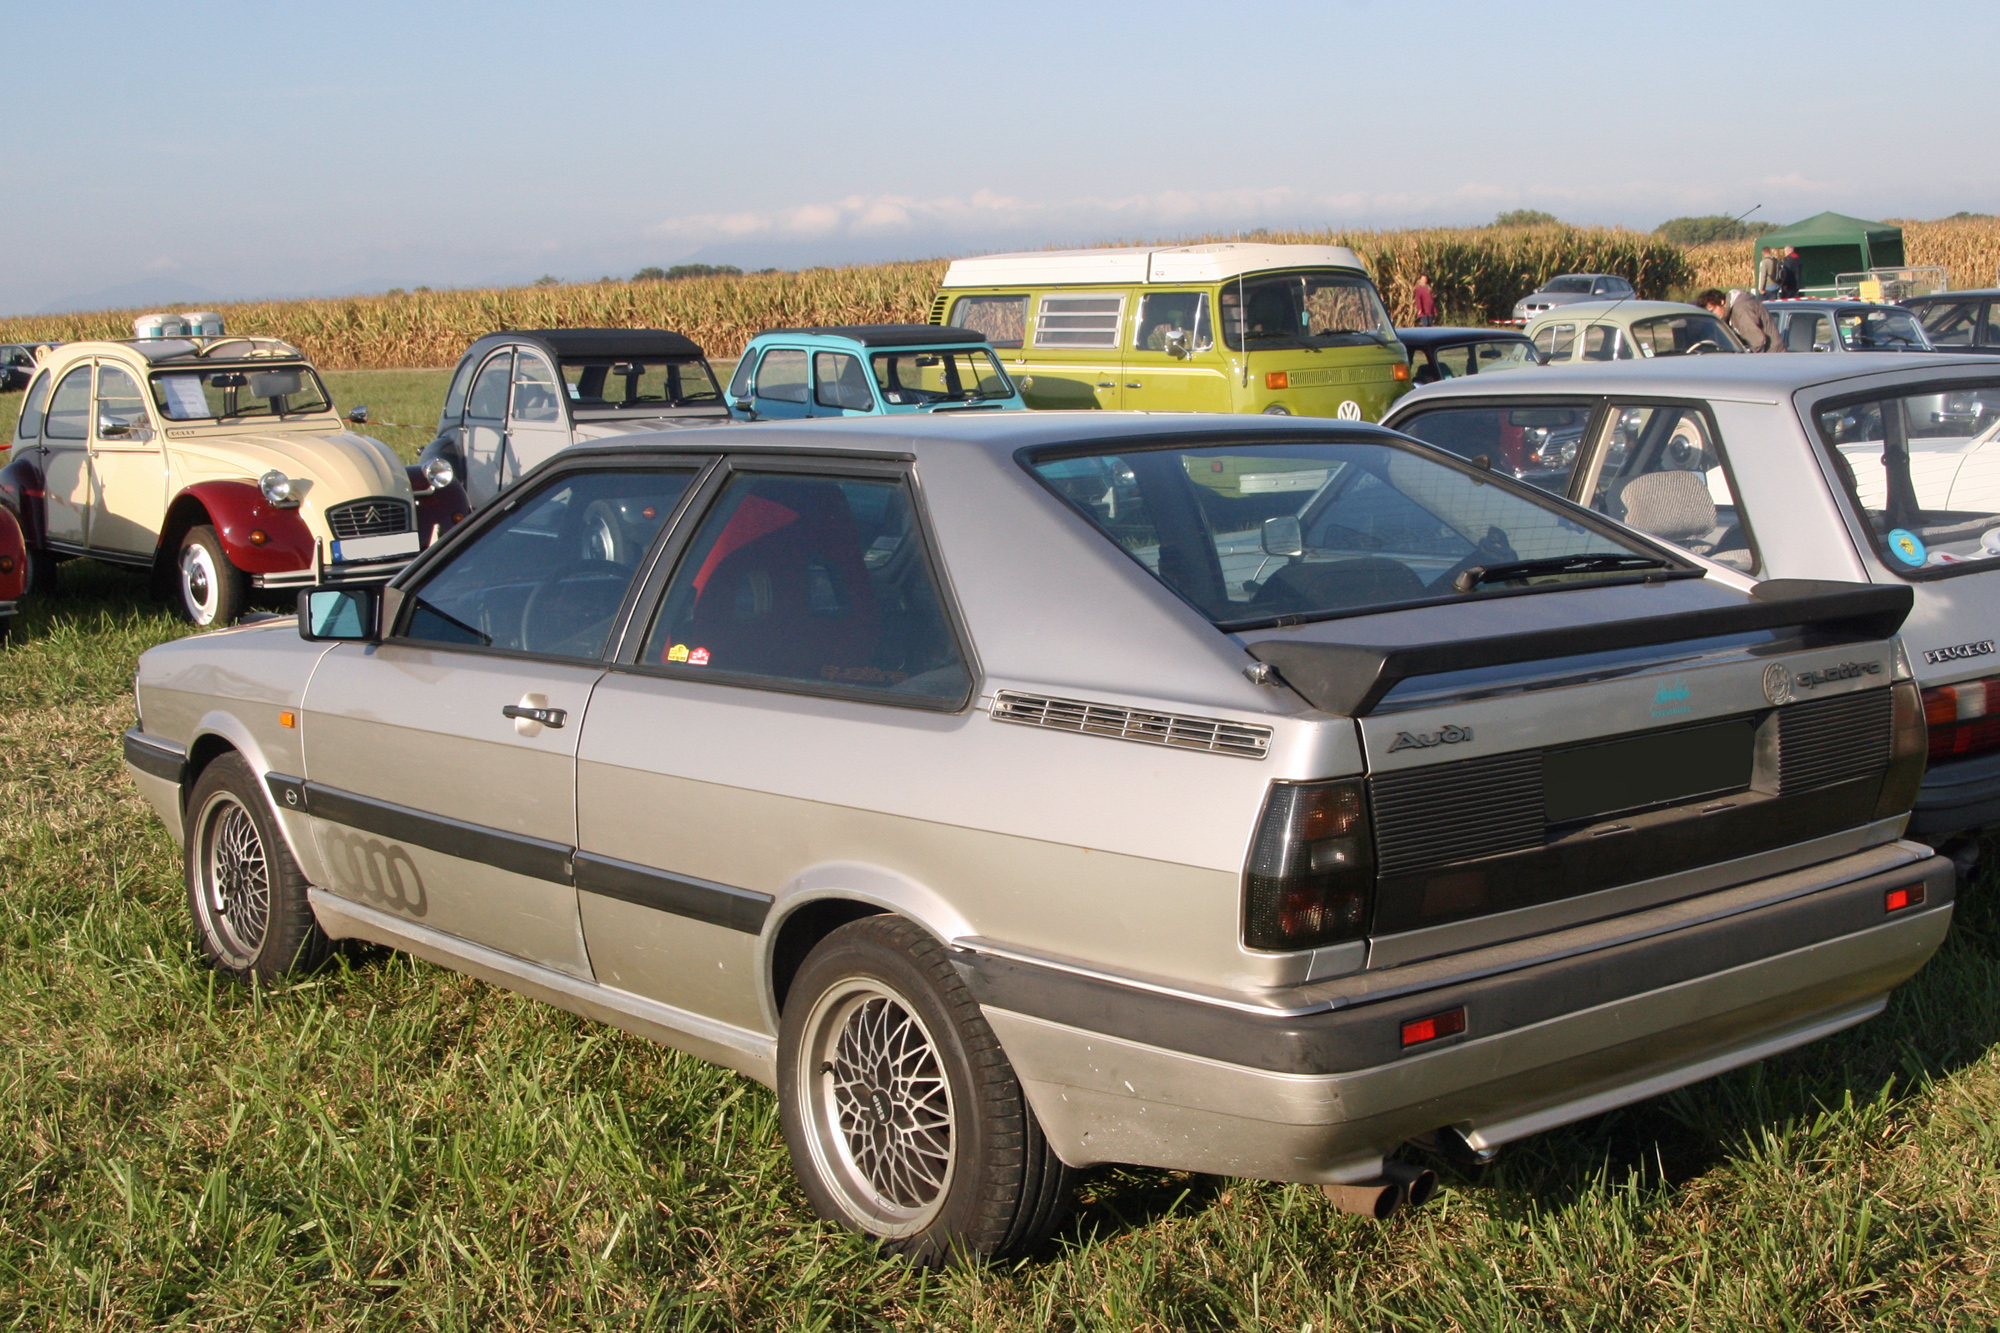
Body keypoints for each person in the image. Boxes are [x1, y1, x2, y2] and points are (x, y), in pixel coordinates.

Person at [1696, 287, 1784, 353]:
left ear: (1722, 302)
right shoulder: (1734, 308)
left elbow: (1758, 341)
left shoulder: (1740, 311)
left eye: (1712, 310)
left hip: (1771, 357)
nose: (1713, 315)